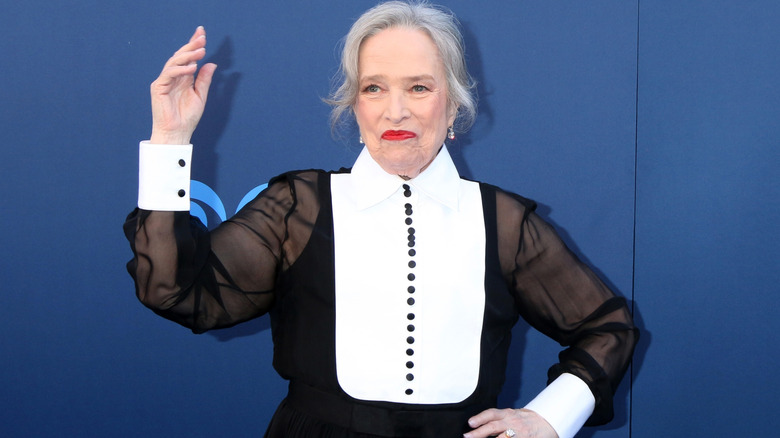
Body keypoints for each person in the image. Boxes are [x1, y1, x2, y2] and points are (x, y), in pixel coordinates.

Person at [124, 2, 638, 437]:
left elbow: (607, 328)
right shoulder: (297, 208)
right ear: (353, 104)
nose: (396, 111)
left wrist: (549, 418)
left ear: (453, 105)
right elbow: (175, 290)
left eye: (419, 88)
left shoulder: (504, 223)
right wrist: (170, 138)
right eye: (374, 88)